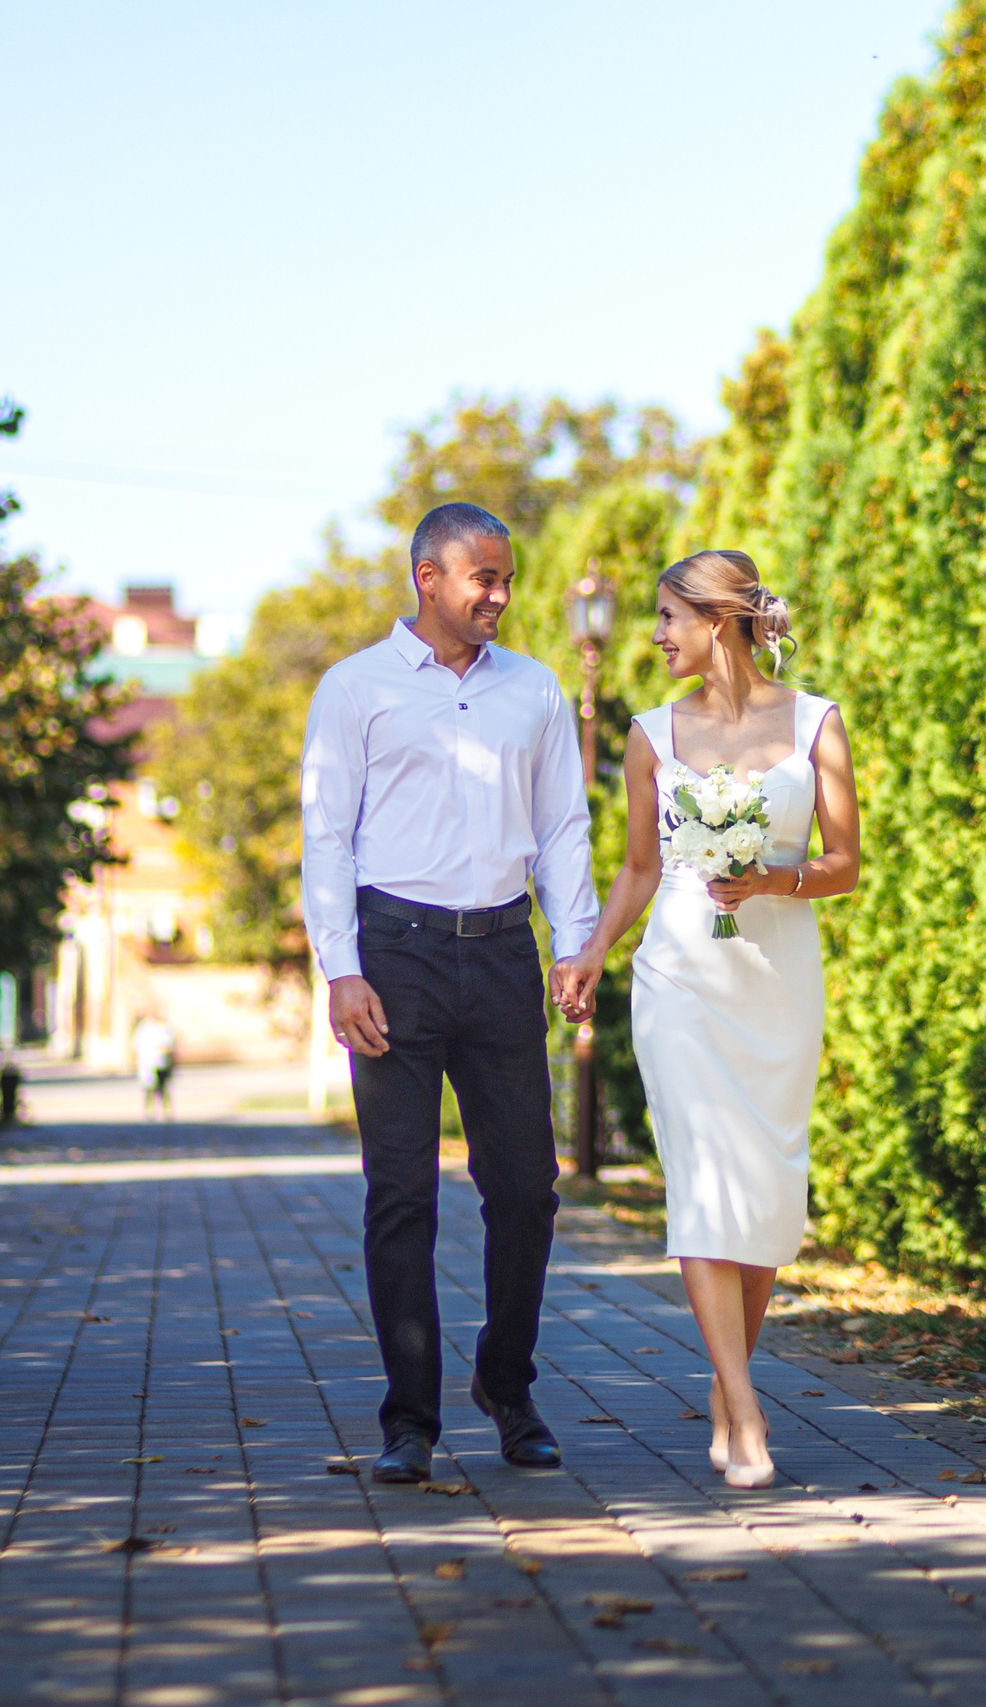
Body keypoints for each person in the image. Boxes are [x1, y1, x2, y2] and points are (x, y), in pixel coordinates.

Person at [301, 501, 599, 1482]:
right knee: (403, 1196)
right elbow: (326, 838)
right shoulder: (354, 690)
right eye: (485, 579)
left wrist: (576, 943)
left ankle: (505, 1385)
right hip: (393, 955)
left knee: (525, 1190)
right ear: (428, 579)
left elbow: (561, 828)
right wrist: (340, 968)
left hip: (503, 950)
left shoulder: (536, 691)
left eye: (507, 580)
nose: (501, 598)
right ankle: (409, 1422)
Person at [558, 550, 861, 1488]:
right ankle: (744, 1405)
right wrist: (595, 948)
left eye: (668, 617)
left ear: (719, 620)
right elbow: (641, 868)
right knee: (699, 1182)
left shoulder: (817, 723)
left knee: (765, 1194)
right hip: (680, 975)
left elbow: (845, 861)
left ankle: (730, 1391)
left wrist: (775, 876)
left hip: (778, 975)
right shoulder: (651, 734)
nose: (655, 634)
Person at [132, 1014, 176, 1120]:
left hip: (161, 1062)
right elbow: (137, 1045)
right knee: (149, 1089)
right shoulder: (144, 1029)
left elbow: (169, 1044)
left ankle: (166, 1111)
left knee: (162, 1088)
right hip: (148, 1062)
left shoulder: (163, 1028)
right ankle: (149, 1112)